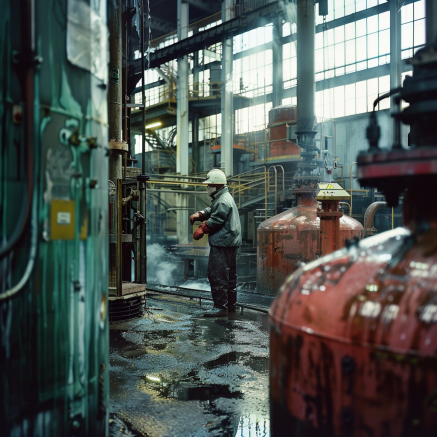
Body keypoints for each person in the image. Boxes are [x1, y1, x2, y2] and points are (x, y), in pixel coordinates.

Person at [190, 169, 242, 317]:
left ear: (216, 186)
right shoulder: (222, 197)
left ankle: (220, 307)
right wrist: (200, 214)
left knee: (217, 274)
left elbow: (217, 219)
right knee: (230, 276)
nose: (208, 188)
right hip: (230, 242)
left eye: (209, 185)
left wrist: (202, 229)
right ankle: (231, 306)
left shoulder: (223, 200)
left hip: (222, 243)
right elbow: (211, 210)